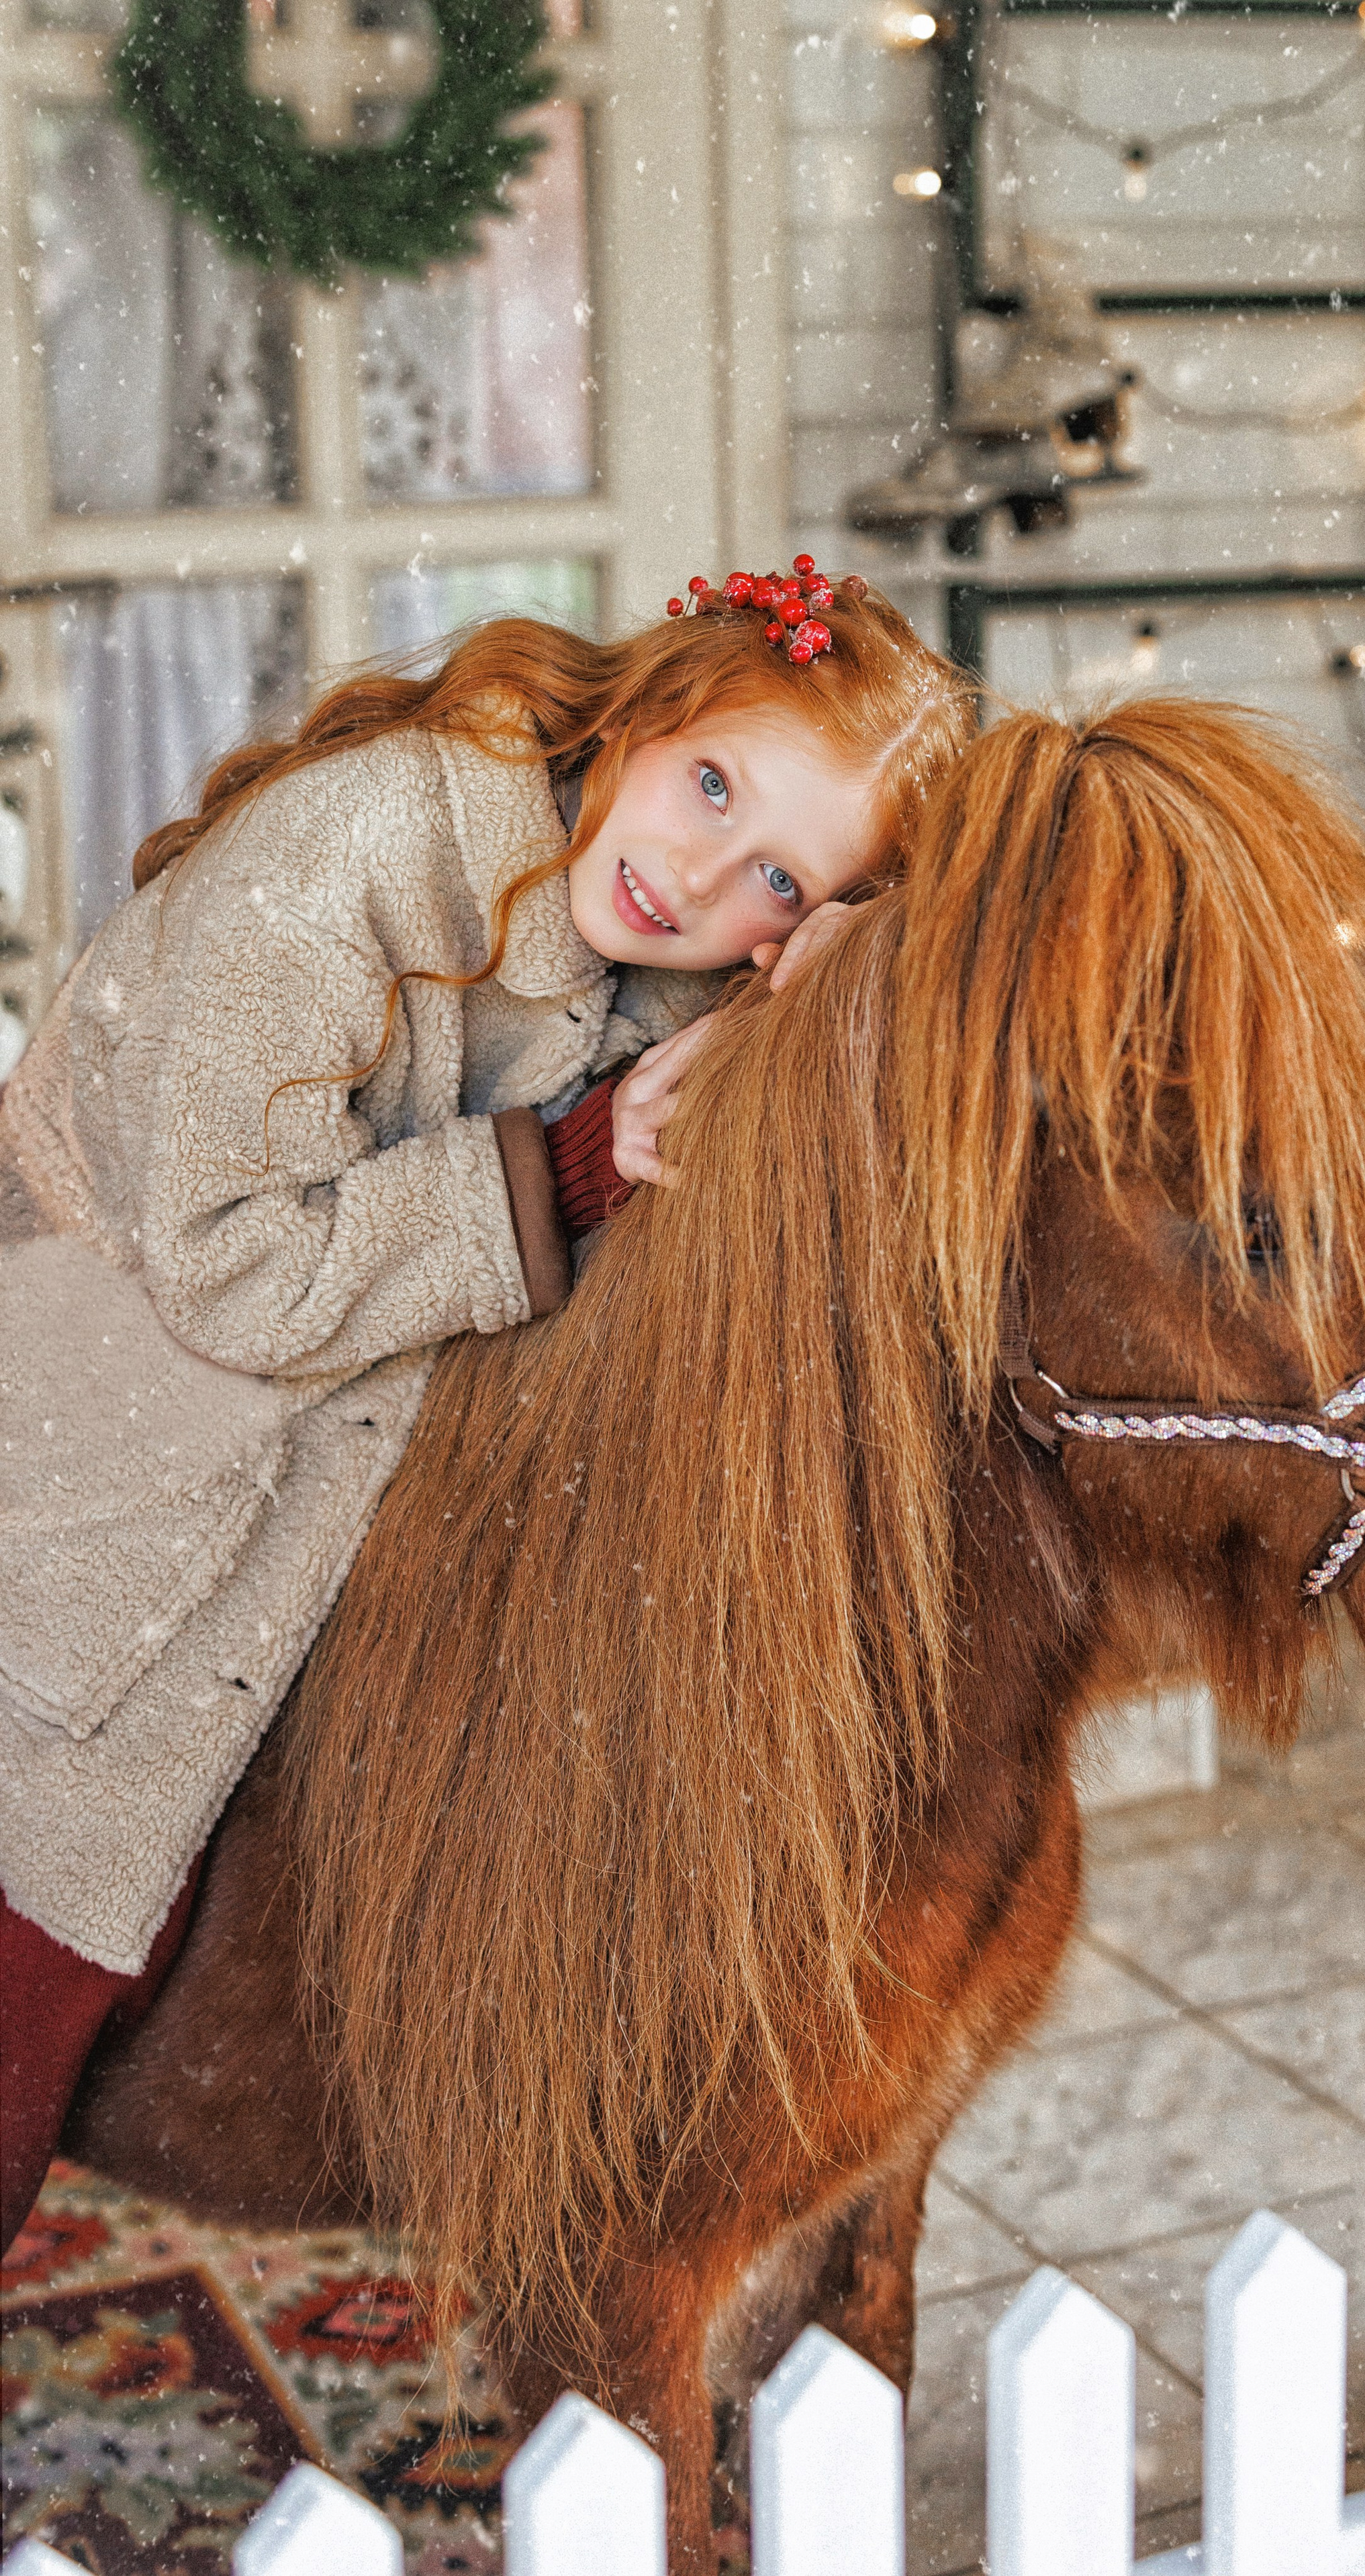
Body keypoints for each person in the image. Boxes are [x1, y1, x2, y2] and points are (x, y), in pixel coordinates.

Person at [0, 559, 975, 2248]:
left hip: (325, 1426)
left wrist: (846, 970)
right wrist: (578, 1164)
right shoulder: (361, 846)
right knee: (54, 1896)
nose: (692, 875)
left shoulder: (661, 950)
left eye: (775, 879)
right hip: (96, 1409)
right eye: (713, 785)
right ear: (660, 706)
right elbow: (234, 1267)